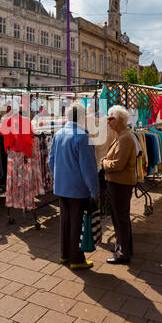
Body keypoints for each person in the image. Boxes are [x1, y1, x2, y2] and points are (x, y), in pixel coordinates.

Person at [49, 102, 99, 270]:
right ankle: (77, 259)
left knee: (65, 221)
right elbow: (89, 169)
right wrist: (94, 190)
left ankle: (64, 255)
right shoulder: (83, 137)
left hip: (62, 186)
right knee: (77, 223)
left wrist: (59, 177)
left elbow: (51, 160)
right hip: (78, 189)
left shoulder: (59, 134)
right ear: (82, 118)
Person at [101, 105, 136, 264]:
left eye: (111, 118)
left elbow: (118, 164)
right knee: (120, 217)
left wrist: (104, 163)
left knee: (120, 218)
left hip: (119, 184)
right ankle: (124, 248)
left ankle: (123, 254)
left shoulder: (125, 138)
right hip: (118, 183)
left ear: (120, 120)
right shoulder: (121, 136)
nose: (108, 121)